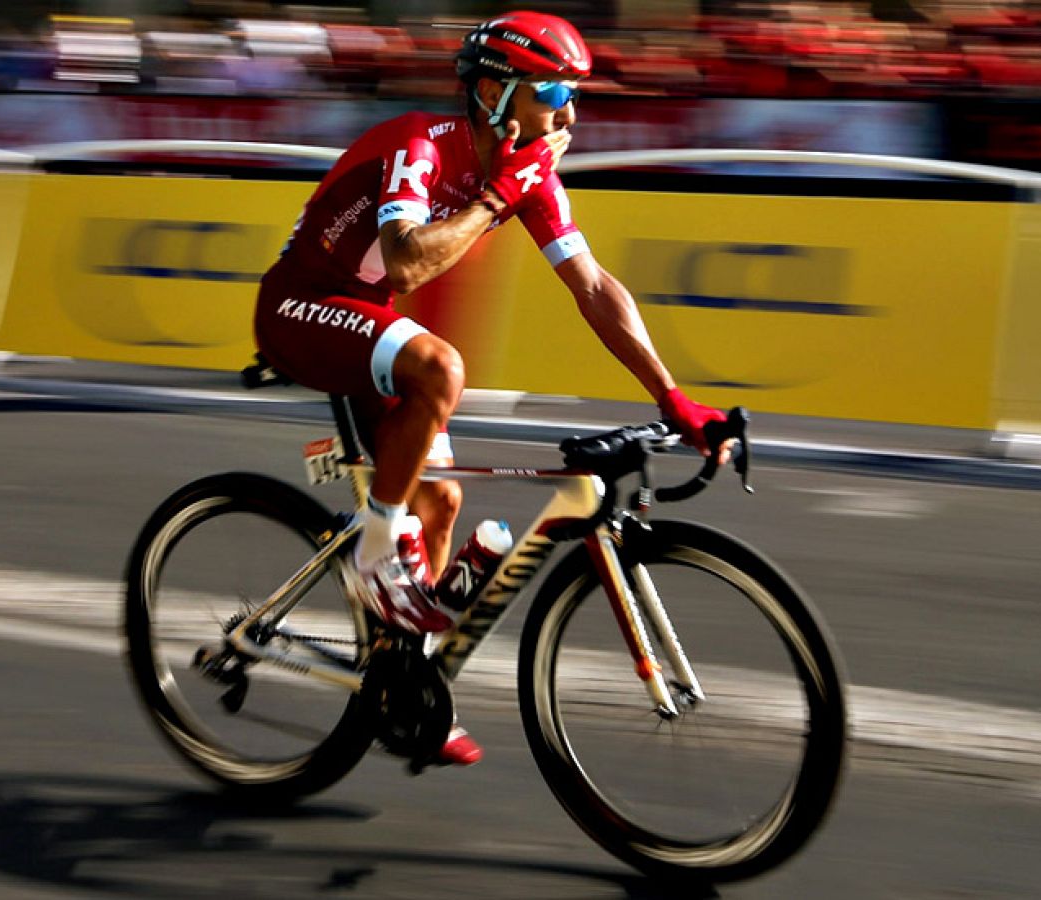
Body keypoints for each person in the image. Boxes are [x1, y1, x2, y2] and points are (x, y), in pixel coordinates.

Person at [253, 10, 729, 764]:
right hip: (297, 308)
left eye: (573, 94)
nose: (567, 112)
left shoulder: (525, 174)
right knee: (441, 370)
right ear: (494, 94)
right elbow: (406, 263)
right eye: (550, 91)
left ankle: (399, 682)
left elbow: (594, 286)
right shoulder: (424, 143)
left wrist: (672, 397)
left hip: (365, 316)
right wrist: (496, 196)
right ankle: (378, 557)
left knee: (440, 499)